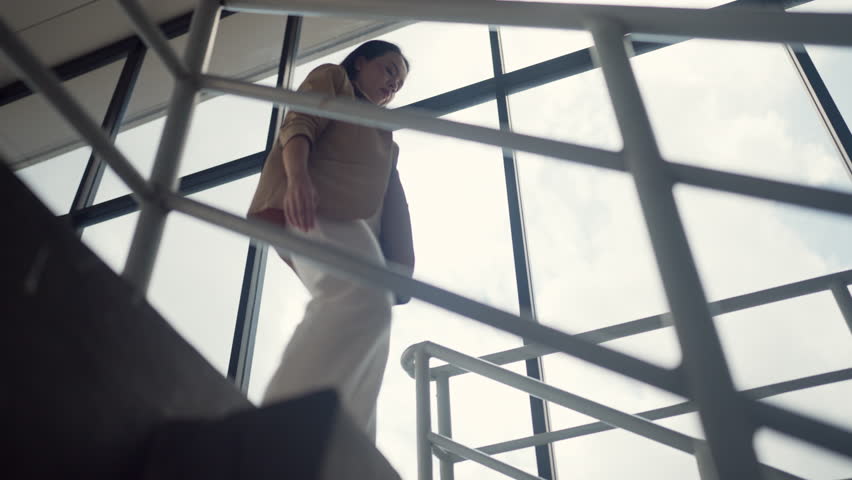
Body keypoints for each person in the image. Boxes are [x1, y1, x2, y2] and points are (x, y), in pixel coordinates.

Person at [247, 40, 414, 441]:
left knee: (372, 326)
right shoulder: (334, 79)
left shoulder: (383, 137)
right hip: (312, 201)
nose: (394, 84)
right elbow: (298, 121)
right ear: (360, 63)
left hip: (355, 226)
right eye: (389, 70)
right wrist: (298, 177)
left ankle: (351, 448)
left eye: (400, 83)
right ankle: (273, 432)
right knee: (360, 301)